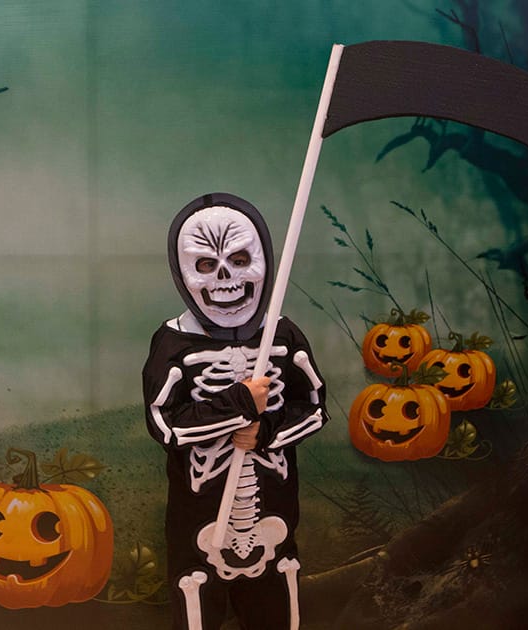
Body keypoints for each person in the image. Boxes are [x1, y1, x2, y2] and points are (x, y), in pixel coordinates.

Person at [142, 192, 328, 629]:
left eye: (241, 259)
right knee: (195, 602)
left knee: (277, 607)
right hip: (199, 522)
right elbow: (163, 423)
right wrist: (237, 403)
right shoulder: (174, 343)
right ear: (183, 273)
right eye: (206, 265)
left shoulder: (282, 335)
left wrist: (267, 432)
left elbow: (315, 406)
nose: (225, 278)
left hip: (274, 518)